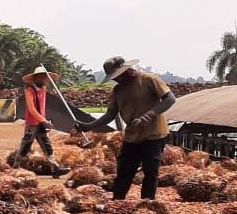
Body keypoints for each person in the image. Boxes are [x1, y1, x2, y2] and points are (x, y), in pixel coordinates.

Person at [78, 56, 176, 200]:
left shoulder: (149, 80)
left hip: (153, 135)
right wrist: (89, 126)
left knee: (150, 172)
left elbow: (170, 99)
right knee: (124, 171)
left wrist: (149, 115)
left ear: (127, 70)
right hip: (132, 137)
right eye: (114, 78)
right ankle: (117, 201)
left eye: (118, 76)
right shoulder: (117, 91)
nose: (116, 80)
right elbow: (110, 115)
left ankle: (146, 205)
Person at [16, 65, 68, 176]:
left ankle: (55, 168)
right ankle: (16, 167)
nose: (42, 79)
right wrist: (42, 119)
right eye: (40, 77)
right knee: (26, 145)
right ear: (35, 78)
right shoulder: (29, 91)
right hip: (32, 123)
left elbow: (42, 106)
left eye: (44, 77)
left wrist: (44, 120)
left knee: (46, 145)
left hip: (41, 123)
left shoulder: (43, 89)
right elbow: (31, 109)